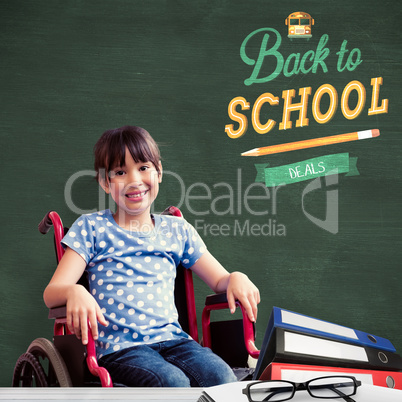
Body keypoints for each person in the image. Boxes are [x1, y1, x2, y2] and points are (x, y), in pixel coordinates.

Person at [43, 125, 260, 387]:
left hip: (175, 341)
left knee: (222, 377)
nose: (134, 180)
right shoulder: (92, 228)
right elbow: (53, 291)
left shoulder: (177, 230)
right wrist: (73, 292)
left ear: (158, 172)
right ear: (105, 181)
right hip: (120, 348)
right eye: (121, 172)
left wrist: (236, 277)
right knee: (172, 382)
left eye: (143, 168)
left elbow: (219, 280)